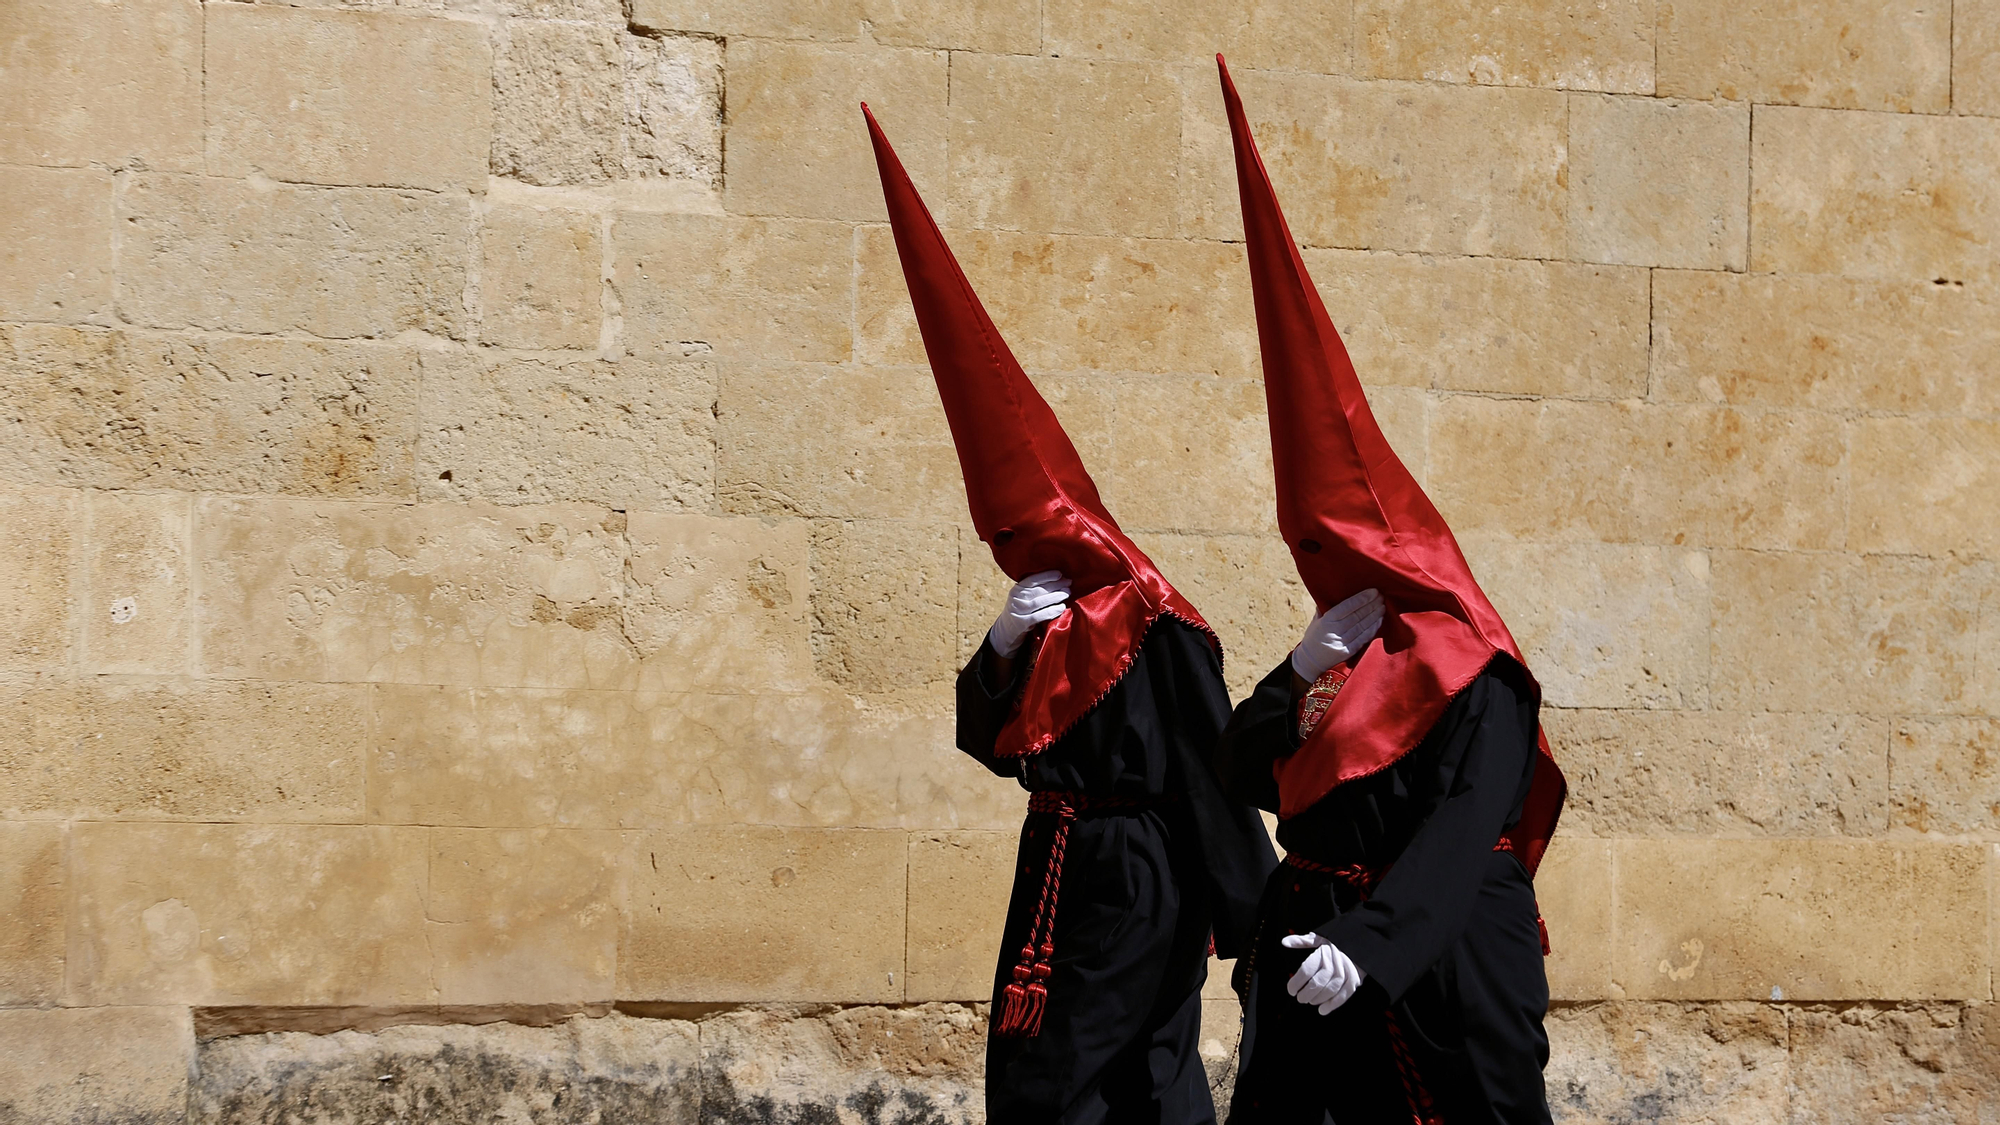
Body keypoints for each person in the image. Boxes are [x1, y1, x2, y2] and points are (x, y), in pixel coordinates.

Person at [864, 106, 1278, 1125]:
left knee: (1083, 1071)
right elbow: (990, 741)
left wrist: (1255, 914)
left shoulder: (1155, 623)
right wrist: (1003, 640)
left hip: (1135, 871)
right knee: (1124, 1073)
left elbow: (1207, 768)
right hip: (1061, 857)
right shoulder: (1048, 621)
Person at [1207, 58, 1569, 1125]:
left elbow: (1462, 833)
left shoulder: (1484, 677)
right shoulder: (1339, 651)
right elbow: (1245, 767)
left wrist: (1370, 946)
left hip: (1442, 953)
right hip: (1310, 932)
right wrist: (1300, 668)